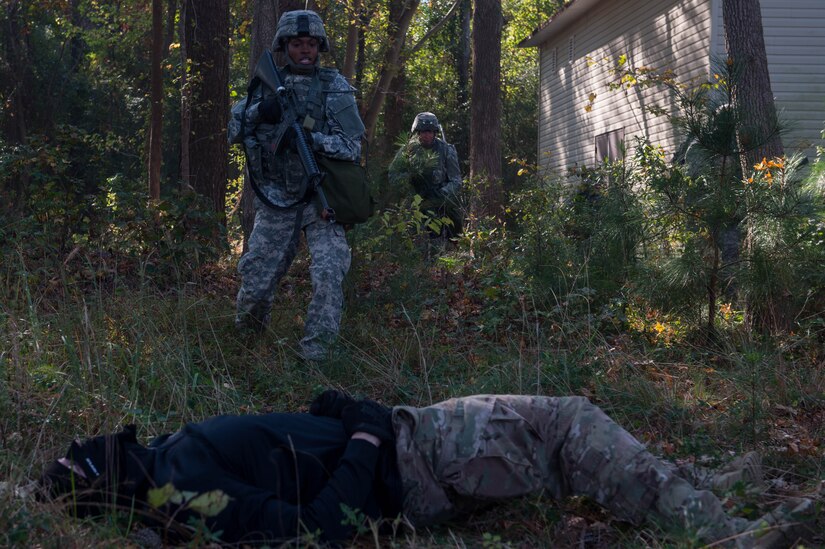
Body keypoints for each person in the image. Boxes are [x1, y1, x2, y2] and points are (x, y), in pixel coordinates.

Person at [38, 391, 815, 548]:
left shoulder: (174, 469)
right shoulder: (185, 495)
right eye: (89, 456)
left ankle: (722, 492)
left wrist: (338, 414)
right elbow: (311, 530)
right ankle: (726, 533)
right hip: (417, 453)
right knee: (568, 426)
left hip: (415, 444)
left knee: (566, 449)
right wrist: (369, 437)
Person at [228, 10, 365, 361]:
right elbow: (234, 131)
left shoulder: (336, 87)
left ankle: (317, 355)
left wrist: (310, 138)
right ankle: (244, 342)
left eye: (311, 44)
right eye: (297, 44)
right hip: (275, 197)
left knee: (329, 270)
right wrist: (263, 112)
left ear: (320, 47)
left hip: (319, 197)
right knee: (257, 276)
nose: (305, 50)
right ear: (284, 47)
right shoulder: (265, 86)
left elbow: (351, 147)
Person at [388, 112, 463, 239]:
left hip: (441, 201)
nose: (426, 135)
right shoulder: (407, 151)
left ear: (435, 132)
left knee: (455, 227)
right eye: (423, 131)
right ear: (417, 132)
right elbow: (393, 175)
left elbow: (456, 181)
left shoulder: (446, 150)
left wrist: (442, 193)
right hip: (414, 203)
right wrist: (409, 183)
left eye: (429, 131)